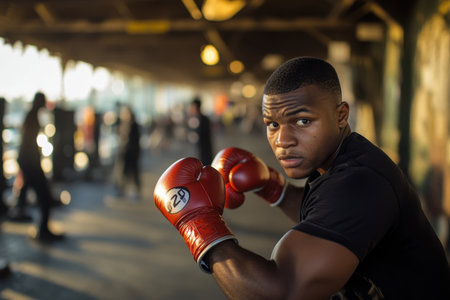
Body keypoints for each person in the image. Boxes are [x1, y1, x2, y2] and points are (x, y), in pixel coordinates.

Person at [153, 57, 450, 299]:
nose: (283, 139)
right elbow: (326, 216)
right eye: (272, 124)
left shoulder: (361, 183)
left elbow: (282, 293)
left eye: (302, 121)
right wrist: (273, 188)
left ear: (341, 115)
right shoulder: (343, 159)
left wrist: (198, 223)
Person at [16, 92, 64, 242]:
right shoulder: (32, 117)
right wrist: (37, 164)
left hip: (28, 162)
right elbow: (29, 144)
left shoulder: (31, 115)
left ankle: (24, 213)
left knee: (31, 190)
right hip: (31, 163)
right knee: (44, 197)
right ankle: (43, 231)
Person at [113, 105, 141, 199]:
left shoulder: (133, 125)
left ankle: (134, 191)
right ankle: (124, 190)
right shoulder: (126, 125)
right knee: (126, 172)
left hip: (131, 153)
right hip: (128, 153)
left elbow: (132, 141)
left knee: (132, 172)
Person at [187, 97, 213, 165]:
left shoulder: (203, 119)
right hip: (199, 149)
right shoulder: (195, 118)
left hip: (204, 150)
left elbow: (201, 133)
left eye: (192, 106)